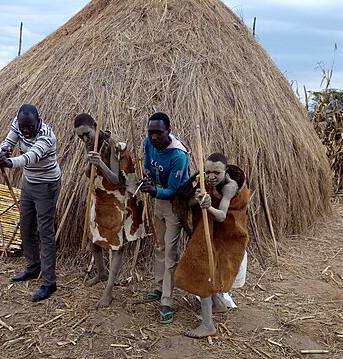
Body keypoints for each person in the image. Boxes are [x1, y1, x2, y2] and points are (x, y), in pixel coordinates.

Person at [174, 152, 249, 337]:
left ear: (226, 171)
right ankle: (219, 304)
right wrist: (198, 198)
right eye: (208, 172)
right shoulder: (207, 182)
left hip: (229, 237)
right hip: (215, 234)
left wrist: (208, 206)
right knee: (209, 268)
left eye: (217, 172)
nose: (211, 176)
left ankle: (208, 325)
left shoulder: (230, 187)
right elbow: (192, 202)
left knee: (204, 271)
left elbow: (222, 215)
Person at [0, 104, 61, 302]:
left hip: (47, 185)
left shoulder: (47, 135)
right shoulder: (18, 124)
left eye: (30, 126)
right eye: (23, 126)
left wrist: (9, 162)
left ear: (38, 122)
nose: (26, 130)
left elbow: (31, 156)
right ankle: (33, 267)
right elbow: (9, 141)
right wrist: (3, 151)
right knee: (26, 226)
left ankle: (49, 282)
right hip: (29, 181)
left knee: (45, 232)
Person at [74, 113, 144, 307]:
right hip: (100, 196)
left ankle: (109, 290)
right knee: (94, 238)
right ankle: (101, 272)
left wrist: (100, 163)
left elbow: (116, 179)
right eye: (80, 137)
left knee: (116, 244)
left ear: (95, 126)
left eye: (87, 134)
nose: (85, 139)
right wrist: (91, 161)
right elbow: (89, 174)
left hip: (116, 200)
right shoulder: (91, 145)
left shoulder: (112, 145)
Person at [139, 112, 190, 324]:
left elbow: (175, 190)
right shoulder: (148, 143)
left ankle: (167, 301)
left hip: (175, 204)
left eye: (158, 133)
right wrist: (147, 175)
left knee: (171, 251)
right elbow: (147, 165)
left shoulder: (178, 156)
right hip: (158, 200)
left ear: (168, 131)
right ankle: (160, 287)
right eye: (150, 132)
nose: (153, 137)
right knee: (160, 247)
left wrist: (154, 191)